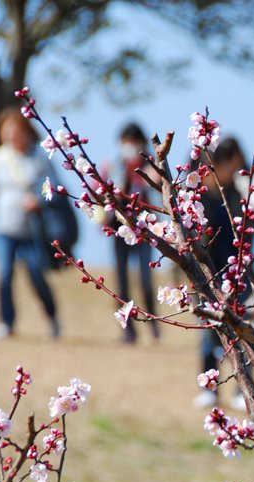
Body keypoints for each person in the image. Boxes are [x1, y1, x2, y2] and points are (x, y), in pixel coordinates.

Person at [0, 107, 63, 339]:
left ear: (26, 132)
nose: (10, 135)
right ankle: (6, 323)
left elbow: (55, 189)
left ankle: (52, 316)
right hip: (2, 228)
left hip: (31, 230)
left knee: (36, 274)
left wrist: (38, 200)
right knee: (4, 274)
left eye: (14, 130)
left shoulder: (39, 158)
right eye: (5, 130)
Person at [192, 137, 249, 408]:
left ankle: (241, 388)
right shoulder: (202, 196)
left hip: (237, 272)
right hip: (207, 272)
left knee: (239, 330)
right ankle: (208, 386)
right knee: (208, 331)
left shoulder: (239, 194)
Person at [105, 123, 158, 343]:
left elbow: (157, 189)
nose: (129, 146)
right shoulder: (115, 166)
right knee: (122, 282)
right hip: (120, 229)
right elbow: (104, 195)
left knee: (146, 279)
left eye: (134, 142)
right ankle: (128, 329)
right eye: (126, 142)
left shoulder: (150, 166)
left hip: (145, 229)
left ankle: (153, 322)